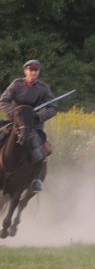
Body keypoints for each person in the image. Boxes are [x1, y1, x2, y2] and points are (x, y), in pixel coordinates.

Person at [0, 60, 57, 193]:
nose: (33, 72)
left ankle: (36, 180)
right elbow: (3, 100)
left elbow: (52, 107)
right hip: (14, 121)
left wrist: (38, 116)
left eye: (36, 70)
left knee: (40, 150)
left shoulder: (44, 88)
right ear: (25, 71)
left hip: (33, 125)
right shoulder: (16, 84)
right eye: (31, 70)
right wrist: (14, 113)